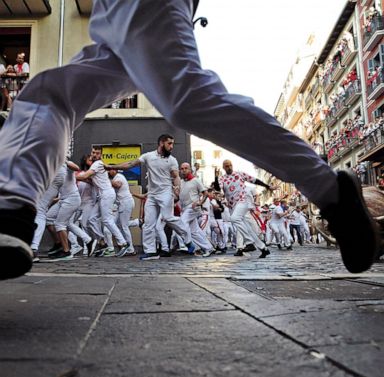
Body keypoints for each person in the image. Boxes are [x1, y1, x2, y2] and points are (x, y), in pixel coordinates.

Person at [0, 0, 379, 279]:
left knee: (185, 98)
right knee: (48, 95)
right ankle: (11, 213)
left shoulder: (182, 167)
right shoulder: (152, 162)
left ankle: (330, 190)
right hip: (109, 14)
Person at [106, 134, 195, 260]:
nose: (171, 146)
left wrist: (177, 189)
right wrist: (111, 167)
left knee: (167, 217)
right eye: (169, 143)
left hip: (165, 193)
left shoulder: (172, 160)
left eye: (173, 144)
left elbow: (175, 176)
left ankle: (188, 240)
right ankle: (151, 251)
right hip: (152, 194)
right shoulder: (148, 156)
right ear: (161, 143)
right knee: (149, 223)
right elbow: (131, 164)